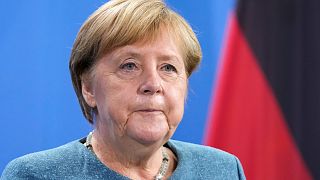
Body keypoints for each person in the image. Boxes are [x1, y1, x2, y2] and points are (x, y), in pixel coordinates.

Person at [1, 0, 246, 179]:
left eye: (168, 67)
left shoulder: (222, 170)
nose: (153, 84)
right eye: (129, 66)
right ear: (88, 87)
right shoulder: (35, 175)